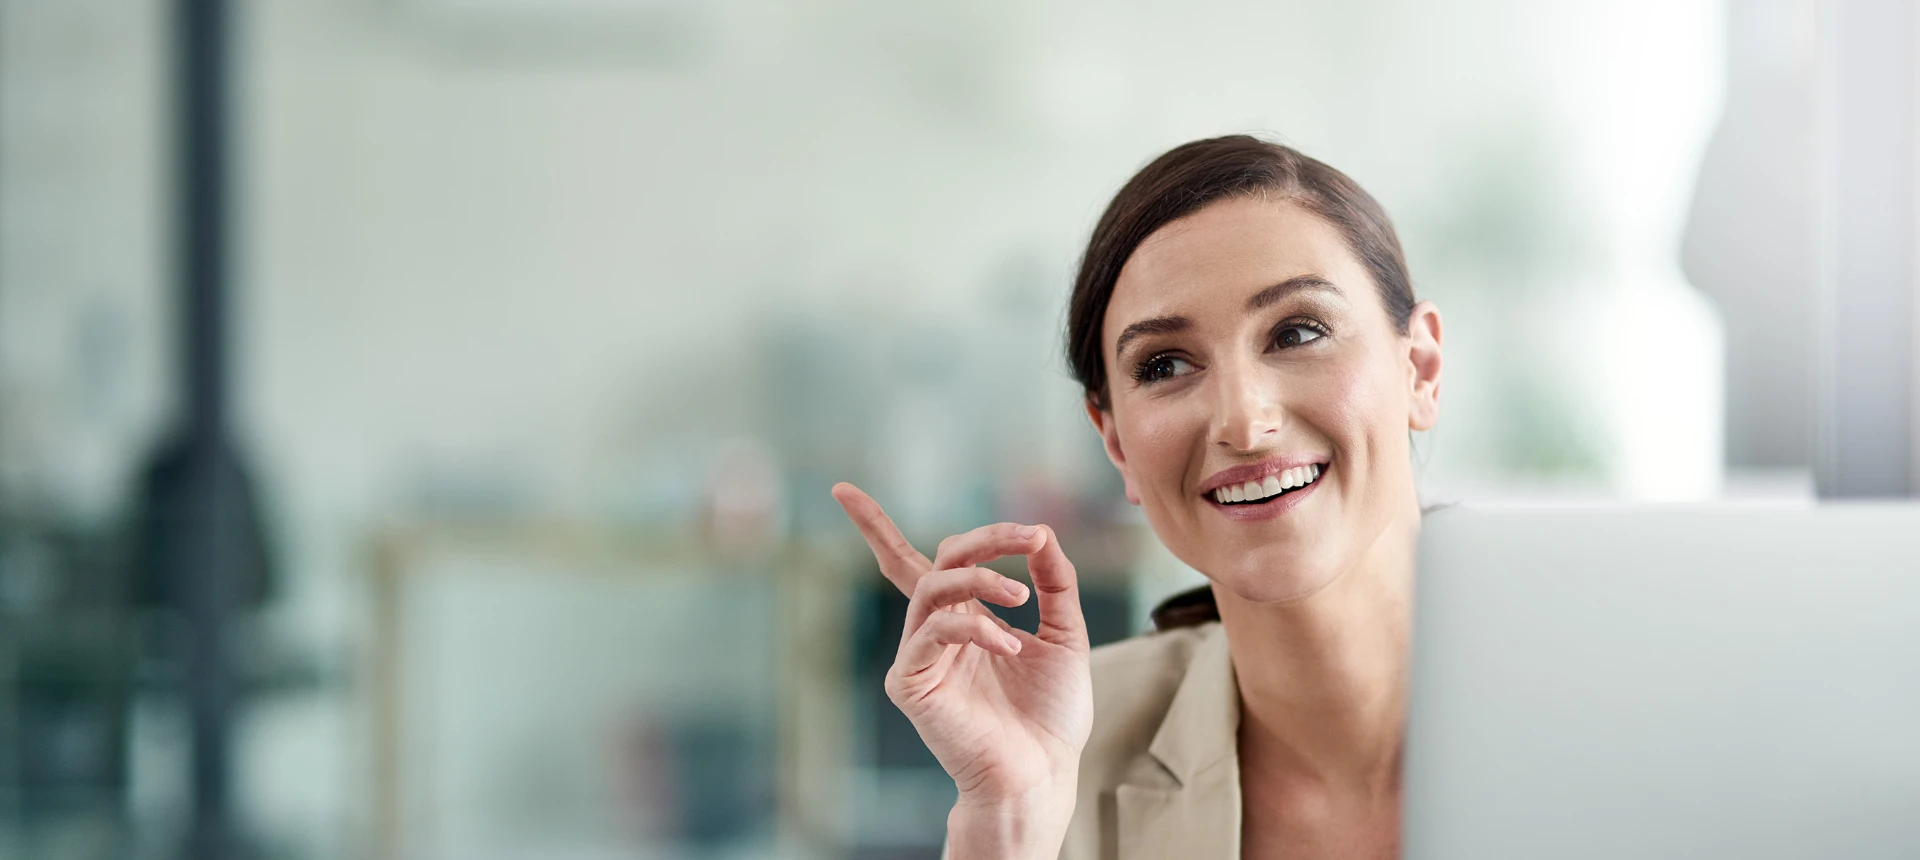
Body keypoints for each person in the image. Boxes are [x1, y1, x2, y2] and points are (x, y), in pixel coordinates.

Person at [833, 134, 1444, 860]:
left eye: (1298, 331)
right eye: (1165, 365)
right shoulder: (1065, 740)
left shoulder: (1602, 697)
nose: (1244, 423)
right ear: (1115, 441)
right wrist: (1013, 820)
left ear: (1420, 369)